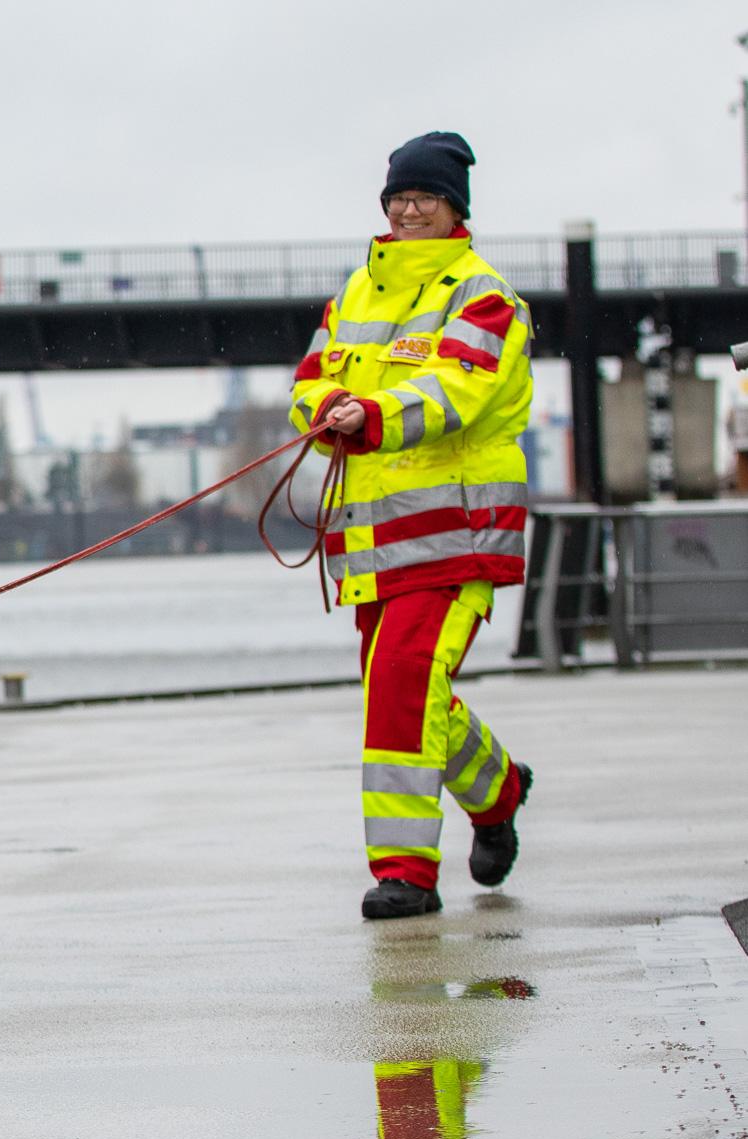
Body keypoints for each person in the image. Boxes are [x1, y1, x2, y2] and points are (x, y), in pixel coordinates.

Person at [288, 131, 535, 920]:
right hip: (372, 543)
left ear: (456, 208)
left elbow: (457, 389)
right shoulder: (354, 294)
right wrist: (328, 406)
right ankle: (499, 791)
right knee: (406, 691)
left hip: (458, 535)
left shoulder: (485, 296)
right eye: (398, 196)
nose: (409, 209)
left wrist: (372, 413)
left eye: (425, 196)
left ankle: (406, 874)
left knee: (401, 683)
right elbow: (308, 381)